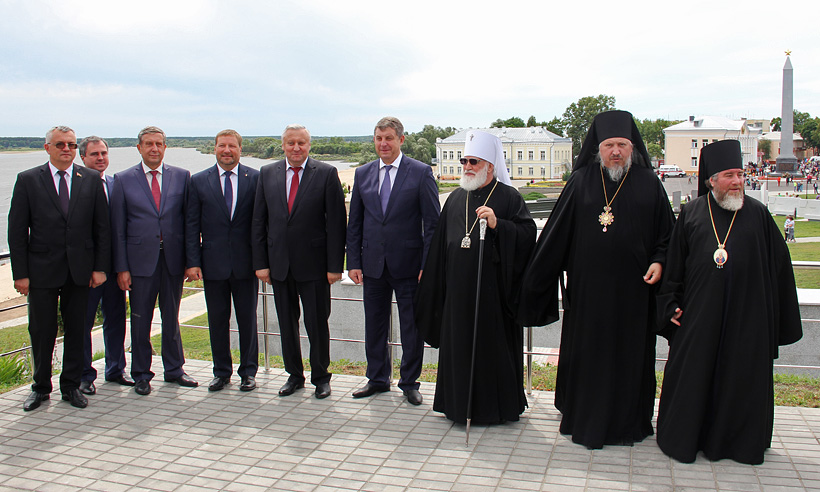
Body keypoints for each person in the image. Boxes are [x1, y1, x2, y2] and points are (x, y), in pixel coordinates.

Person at [519, 110, 675, 449]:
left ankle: (629, 423)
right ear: (598, 148)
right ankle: (584, 418)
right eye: (609, 145)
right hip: (589, 293)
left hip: (635, 293)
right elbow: (556, 234)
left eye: (622, 145)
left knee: (630, 356)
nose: (615, 151)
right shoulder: (581, 181)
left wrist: (660, 261)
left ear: (632, 147)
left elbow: (668, 236)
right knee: (589, 355)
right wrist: (533, 280)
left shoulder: (649, 183)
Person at [655, 139, 802, 465]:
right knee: (693, 376)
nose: (737, 181)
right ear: (712, 180)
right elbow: (674, 268)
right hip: (699, 317)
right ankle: (687, 439)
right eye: (729, 175)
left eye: (740, 174)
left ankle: (738, 444)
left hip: (747, 320)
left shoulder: (758, 214)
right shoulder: (692, 214)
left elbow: (779, 268)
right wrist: (670, 305)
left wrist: (772, 318)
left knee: (741, 381)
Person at [415, 130, 535, 424]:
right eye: (464, 161)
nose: (467, 167)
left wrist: (498, 225)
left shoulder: (509, 197)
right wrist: (433, 283)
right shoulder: (456, 198)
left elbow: (526, 236)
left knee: (491, 351)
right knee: (459, 348)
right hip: (457, 296)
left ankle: (495, 409)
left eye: (474, 162)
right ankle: (457, 406)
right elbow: (440, 245)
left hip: (494, 296)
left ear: (490, 167)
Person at [9, 126, 110, 411]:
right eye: (60, 144)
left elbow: (102, 228)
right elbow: (17, 231)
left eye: (71, 145)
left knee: (77, 329)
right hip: (41, 271)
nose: (67, 149)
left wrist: (99, 268)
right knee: (42, 330)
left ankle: (71, 386)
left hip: (79, 270)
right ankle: (40, 387)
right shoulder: (28, 179)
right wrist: (20, 274)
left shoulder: (90, 179)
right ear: (47, 148)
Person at [346, 116, 440, 405]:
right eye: (378, 138)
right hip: (372, 265)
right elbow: (355, 222)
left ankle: (410, 382)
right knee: (374, 325)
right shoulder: (362, 173)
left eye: (388, 138)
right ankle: (377, 379)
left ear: (401, 139)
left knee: (411, 327)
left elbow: (432, 224)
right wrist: (353, 262)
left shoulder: (420, 172)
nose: (383, 143)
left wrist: (428, 265)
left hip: (410, 266)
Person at [252, 124, 346, 399]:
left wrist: (334, 267)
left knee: (317, 324)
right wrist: (261, 263)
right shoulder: (267, 173)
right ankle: (294, 375)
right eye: (291, 143)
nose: (296, 148)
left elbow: (337, 223)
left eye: (301, 143)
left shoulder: (326, 173)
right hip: (279, 265)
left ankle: (321, 377)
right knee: (286, 324)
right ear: (283, 145)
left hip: (315, 267)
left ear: (308, 145)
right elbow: (259, 221)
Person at [110, 126, 197, 396]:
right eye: (148, 144)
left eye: (159, 144)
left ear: (165, 147)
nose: (154, 149)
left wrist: (190, 260)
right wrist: (122, 268)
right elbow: (118, 229)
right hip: (139, 264)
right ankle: (141, 374)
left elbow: (189, 223)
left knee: (171, 318)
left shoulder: (182, 177)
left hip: (172, 261)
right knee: (140, 321)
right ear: (139, 148)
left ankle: (175, 370)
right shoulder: (123, 179)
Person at [186, 130, 260, 392]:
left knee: (248, 321)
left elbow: (261, 224)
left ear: (240, 149)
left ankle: (248, 372)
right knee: (217, 321)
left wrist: (262, 262)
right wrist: (193, 261)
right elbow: (191, 225)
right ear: (214, 148)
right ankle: (221, 372)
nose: (227, 150)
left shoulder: (255, 178)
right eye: (222, 146)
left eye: (232, 146)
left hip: (246, 264)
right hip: (212, 264)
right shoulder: (198, 181)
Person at [78, 136, 134, 394]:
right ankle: (84, 375)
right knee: (84, 323)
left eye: (103, 153)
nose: (100, 158)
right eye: (94, 154)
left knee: (116, 318)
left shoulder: (114, 184)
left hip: (115, 266)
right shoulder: (77, 186)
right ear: (83, 158)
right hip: (88, 270)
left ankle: (116, 369)